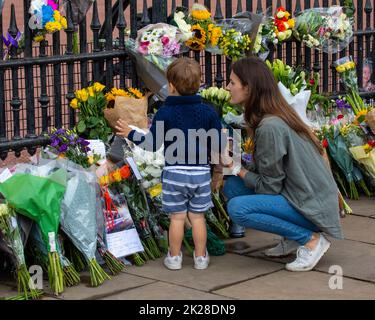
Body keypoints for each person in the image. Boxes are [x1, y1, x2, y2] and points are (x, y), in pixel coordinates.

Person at [223, 56, 344, 272]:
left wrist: (236, 168)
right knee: (231, 186)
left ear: (248, 88)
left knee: (237, 208)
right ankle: (293, 237)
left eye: (232, 82)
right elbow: (271, 174)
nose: (228, 87)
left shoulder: (270, 125)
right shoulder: (273, 116)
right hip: (300, 196)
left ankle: (310, 240)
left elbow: (270, 187)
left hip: (312, 207)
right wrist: (237, 167)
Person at [115, 57, 226, 271]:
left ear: (172, 86)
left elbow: (151, 144)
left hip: (175, 173)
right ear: (199, 84)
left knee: (177, 217)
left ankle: (174, 258)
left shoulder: (165, 112)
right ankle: (201, 257)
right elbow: (218, 145)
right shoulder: (209, 112)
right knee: (197, 217)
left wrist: (131, 133)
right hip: (200, 173)